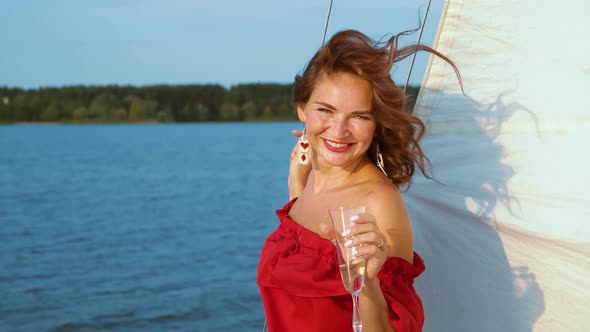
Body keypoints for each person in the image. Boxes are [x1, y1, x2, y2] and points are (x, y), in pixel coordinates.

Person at [257, 29, 459, 332]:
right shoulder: (311, 177)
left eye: (359, 116)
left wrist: (368, 282)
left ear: (376, 124)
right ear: (302, 108)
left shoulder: (377, 201)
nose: (339, 131)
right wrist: (296, 182)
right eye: (326, 110)